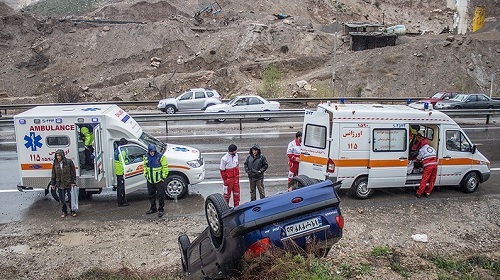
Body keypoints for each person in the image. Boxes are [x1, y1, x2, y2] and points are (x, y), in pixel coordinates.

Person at [49, 149, 77, 218]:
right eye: (57, 155)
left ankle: (72, 211)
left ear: (62, 155)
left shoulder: (69, 162)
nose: (58, 157)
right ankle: (64, 212)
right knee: (62, 199)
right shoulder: (55, 163)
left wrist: (73, 182)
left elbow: (73, 172)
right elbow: (53, 174)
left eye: (59, 155)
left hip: (68, 183)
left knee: (71, 199)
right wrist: (53, 184)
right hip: (60, 184)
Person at [143, 144, 169, 218]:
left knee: (160, 196)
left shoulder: (160, 157)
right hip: (150, 180)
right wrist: (146, 175)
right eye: (151, 152)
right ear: (149, 151)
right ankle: (153, 208)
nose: (152, 153)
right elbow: (145, 166)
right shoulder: (146, 157)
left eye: (153, 151)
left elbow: (165, 167)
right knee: (151, 195)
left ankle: (161, 209)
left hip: (159, 180)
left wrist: (163, 177)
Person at [114, 138, 129, 207]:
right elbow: (124, 162)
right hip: (121, 172)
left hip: (118, 171)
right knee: (121, 188)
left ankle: (121, 200)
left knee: (119, 187)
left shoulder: (117, 149)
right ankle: (121, 202)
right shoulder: (122, 151)